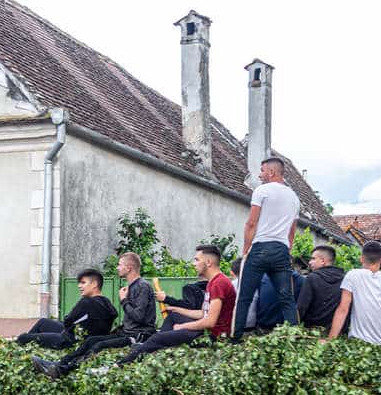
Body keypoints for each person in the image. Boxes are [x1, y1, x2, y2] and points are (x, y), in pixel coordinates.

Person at [107, 245, 236, 367]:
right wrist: (176, 309)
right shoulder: (213, 282)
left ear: (208, 262)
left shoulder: (219, 283)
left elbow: (209, 322)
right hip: (207, 329)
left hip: (211, 336)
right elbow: (203, 313)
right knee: (173, 316)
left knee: (158, 337)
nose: (193, 263)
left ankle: (120, 365)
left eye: (196, 260)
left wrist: (182, 326)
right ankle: (148, 346)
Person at [32, 253, 157, 378]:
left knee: (99, 345)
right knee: (91, 340)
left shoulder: (142, 286)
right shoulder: (131, 287)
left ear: (129, 268)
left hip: (138, 336)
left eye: (119, 265)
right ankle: (58, 365)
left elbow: (138, 316)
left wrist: (123, 300)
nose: (117, 268)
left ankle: (63, 370)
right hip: (127, 332)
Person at [232, 157, 300, 339]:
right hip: (281, 250)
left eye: (262, 171)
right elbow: (292, 231)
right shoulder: (294, 198)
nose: (260, 175)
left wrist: (246, 250)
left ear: (271, 172)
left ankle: (236, 339)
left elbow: (251, 223)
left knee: (244, 297)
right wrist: (287, 250)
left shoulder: (261, 191)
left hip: (260, 248)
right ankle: (294, 338)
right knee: (286, 298)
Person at [327, 241, 381, 354]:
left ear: (361, 259)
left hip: (359, 345)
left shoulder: (353, 275)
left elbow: (343, 309)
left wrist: (330, 339)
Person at [16, 269, 117, 349]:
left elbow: (68, 321)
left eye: (83, 283)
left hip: (69, 341)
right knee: (43, 322)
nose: (79, 286)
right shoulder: (108, 304)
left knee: (23, 337)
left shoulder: (86, 301)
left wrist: (69, 325)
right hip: (85, 338)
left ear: (94, 284)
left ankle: (18, 351)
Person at [297, 245, 346, 332]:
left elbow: (302, 307)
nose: (309, 262)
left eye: (313, 259)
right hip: (335, 331)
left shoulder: (312, 278)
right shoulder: (345, 279)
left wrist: (294, 326)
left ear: (323, 261)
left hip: (311, 329)